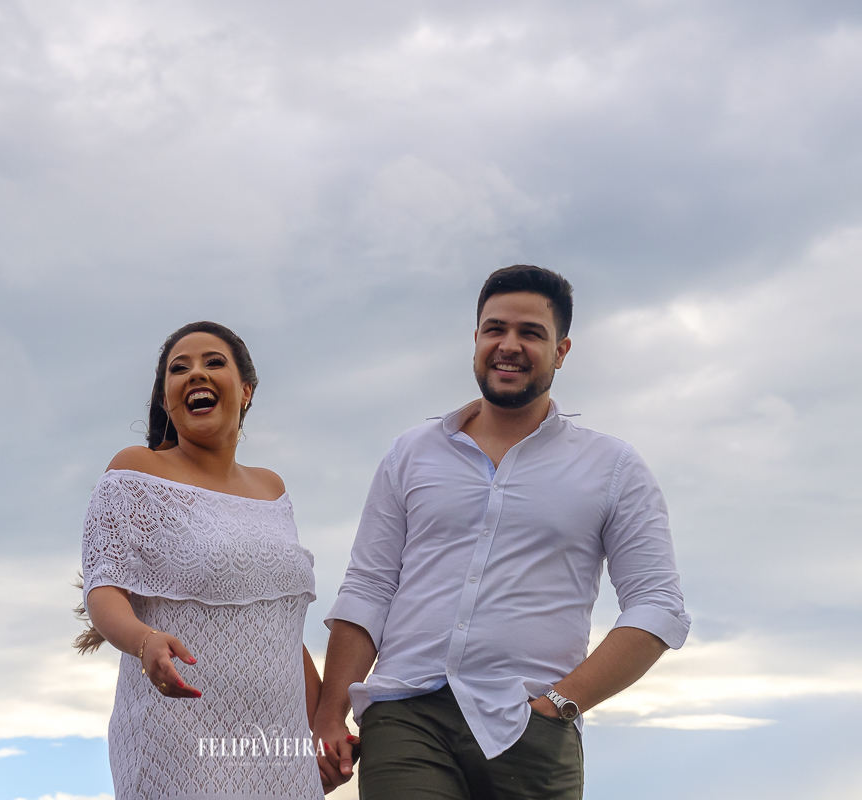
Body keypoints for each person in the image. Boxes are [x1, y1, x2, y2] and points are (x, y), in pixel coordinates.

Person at [313, 265, 691, 799]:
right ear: (475, 340)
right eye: (495, 330)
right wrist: (330, 716)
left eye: (530, 333)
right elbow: (369, 588)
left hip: (532, 728)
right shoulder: (410, 454)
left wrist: (560, 703)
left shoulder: (613, 467)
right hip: (406, 715)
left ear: (561, 350)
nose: (508, 345)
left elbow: (658, 605)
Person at [76, 321, 325, 800]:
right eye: (178, 368)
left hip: (279, 748)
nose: (195, 374)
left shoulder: (273, 489)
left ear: (246, 390)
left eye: (214, 362)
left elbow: (281, 626)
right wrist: (143, 641)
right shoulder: (136, 471)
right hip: (177, 737)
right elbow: (103, 589)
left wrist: (325, 726)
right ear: (166, 398)